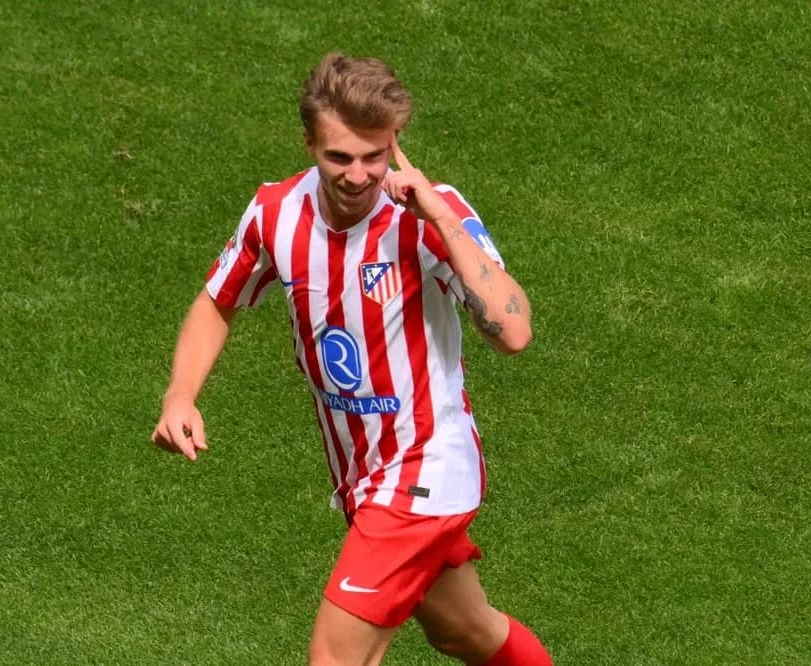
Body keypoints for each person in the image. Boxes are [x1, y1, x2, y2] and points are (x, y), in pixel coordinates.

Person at [152, 53, 551, 666]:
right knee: (464, 631)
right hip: (361, 473)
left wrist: (440, 218)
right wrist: (181, 394)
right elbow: (217, 299)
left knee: (335, 658)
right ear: (309, 142)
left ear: (394, 143)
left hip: (424, 468)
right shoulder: (275, 211)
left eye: (374, 155)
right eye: (339, 157)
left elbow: (514, 332)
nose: (359, 174)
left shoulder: (430, 213)